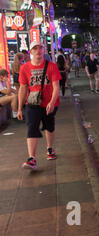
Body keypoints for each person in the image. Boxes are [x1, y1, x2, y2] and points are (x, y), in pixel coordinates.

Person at [17, 41, 61, 170]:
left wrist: (52, 102)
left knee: (49, 126)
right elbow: (23, 88)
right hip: (32, 103)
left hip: (49, 103)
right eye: (35, 48)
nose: (38, 51)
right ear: (30, 52)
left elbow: (56, 86)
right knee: (32, 127)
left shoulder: (52, 66)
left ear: (44, 50)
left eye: (40, 48)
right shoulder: (25, 68)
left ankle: (49, 148)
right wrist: (19, 108)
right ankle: (32, 159)